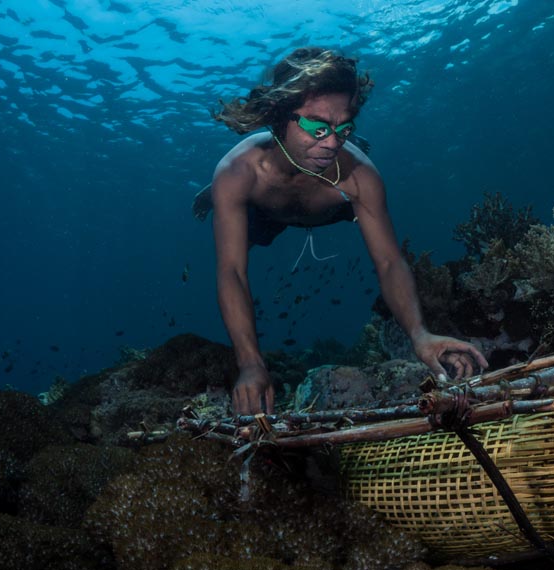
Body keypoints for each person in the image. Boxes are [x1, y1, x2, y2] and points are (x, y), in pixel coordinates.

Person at [207, 47, 488, 415]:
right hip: (266, 214)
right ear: (278, 117)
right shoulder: (236, 172)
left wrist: (420, 335)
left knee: (353, 194)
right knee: (247, 224)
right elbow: (232, 272)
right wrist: (251, 364)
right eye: (317, 127)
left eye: (344, 129)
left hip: (330, 209)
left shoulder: (360, 174)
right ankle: (209, 199)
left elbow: (388, 262)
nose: (332, 142)